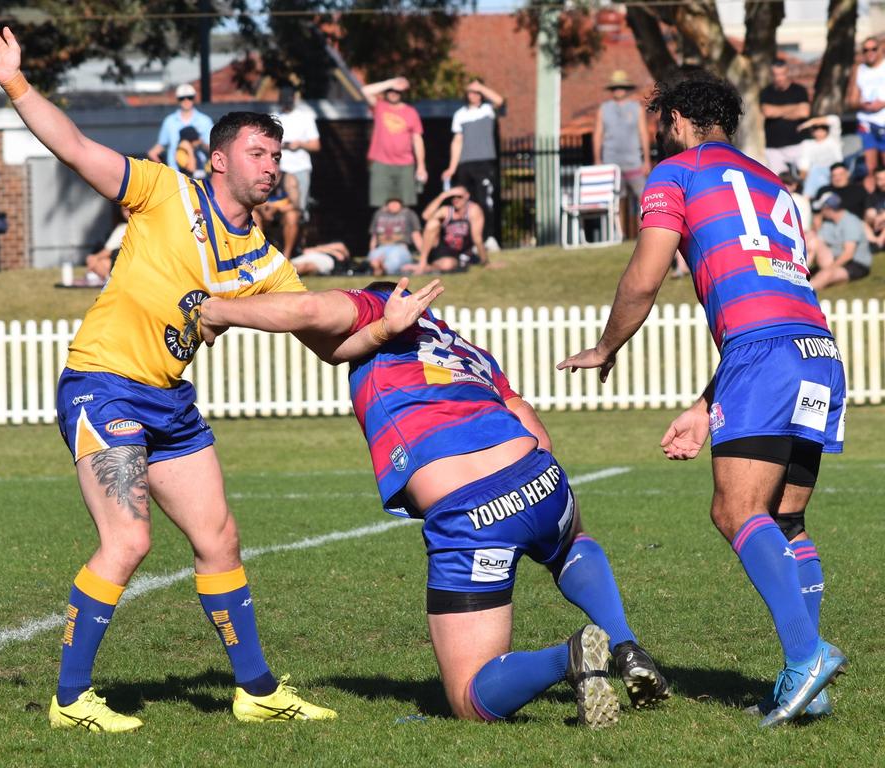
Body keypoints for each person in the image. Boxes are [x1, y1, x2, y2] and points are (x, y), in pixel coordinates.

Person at [0, 17, 334, 731]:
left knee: (219, 539)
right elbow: (73, 147)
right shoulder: (165, 190)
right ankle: (71, 701)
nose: (272, 165)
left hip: (170, 400)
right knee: (128, 541)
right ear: (220, 161)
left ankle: (256, 690)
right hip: (103, 382)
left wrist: (382, 327)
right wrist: (14, 81)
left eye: (277, 154)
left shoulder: (266, 261)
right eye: (258, 152)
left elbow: (317, 326)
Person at [195, 278, 670, 726]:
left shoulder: (375, 309)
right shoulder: (467, 351)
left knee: (469, 697)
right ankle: (626, 643)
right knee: (570, 545)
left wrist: (217, 310)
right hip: (542, 480)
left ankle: (569, 657)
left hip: (471, 512)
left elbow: (305, 308)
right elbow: (536, 432)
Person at [557, 70, 848, 729]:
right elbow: (774, 291)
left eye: (663, 124)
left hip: (763, 355)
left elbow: (644, 275)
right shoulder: (774, 184)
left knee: (735, 510)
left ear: (682, 119)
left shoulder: (678, 174)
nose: (661, 137)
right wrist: (704, 401)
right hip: (815, 352)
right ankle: (813, 685)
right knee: (787, 519)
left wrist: (607, 347)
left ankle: (807, 657)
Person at [442, 79, 505, 250]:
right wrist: (452, 167)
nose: (474, 95)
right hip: (465, 164)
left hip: (484, 163)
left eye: (477, 92)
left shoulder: (487, 110)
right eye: (471, 91)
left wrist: (481, 87)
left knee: (486, 201)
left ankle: (489, 237)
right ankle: (472, 240)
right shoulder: (460, 114)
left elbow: (499, 100)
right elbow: (457, 141)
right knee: (468, 203)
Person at [593, 70, 652, 239]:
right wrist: (598, 160)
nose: (618, 90)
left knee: (643, 200)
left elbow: (643, 134)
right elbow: (597, 135)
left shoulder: (636, 108)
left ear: (627, 88)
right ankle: (619, 235)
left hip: (634, 162)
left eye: (621, 87)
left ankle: (645, 235)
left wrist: (646, 160)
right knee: (616, 203)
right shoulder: (604, 109)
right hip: (611, 163)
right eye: (615, 87)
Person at [362, 76, 427, 208]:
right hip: (381, 163)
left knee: (405, 205)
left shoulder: (411, 112)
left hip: (405, 165)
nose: (393, 93)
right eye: (391, 90)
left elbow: (417, 139)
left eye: (397, 91)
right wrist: (391, 82)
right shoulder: (380, 107)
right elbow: (365, 91)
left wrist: (421, 165)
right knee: (381, 205)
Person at [408, 186, 488, 274]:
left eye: (459, 196)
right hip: (442, 249)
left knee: (447, 265)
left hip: (462, 252)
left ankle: (429, 267)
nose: (456, 199)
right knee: (432, 223)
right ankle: (422, 263)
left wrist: (485, 262)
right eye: (452, 197)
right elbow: (426, 216)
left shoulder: (473, 210)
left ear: (467, 196)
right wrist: (442, 196)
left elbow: (477, 238)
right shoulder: (447, 210)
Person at [271, 87, 320, 217]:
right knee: (278, 209)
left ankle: (301, 235)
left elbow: (316, 145)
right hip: (280, 170)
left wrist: (300, 144)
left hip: (300, 168)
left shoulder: (305, 118)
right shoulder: (274, 118)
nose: (286, 106)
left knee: (300, 209)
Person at [808, 192, 872, 290]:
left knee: (827, 275)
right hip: (835, 259)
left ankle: (801, 294)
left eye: (822, 209)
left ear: (828, 208)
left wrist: (829, 269)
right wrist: (817, 224)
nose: (820, 212)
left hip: (855, 264)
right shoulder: (829, 223)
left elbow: (848, 254)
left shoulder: (851, 222)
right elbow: (816, 240)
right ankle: (799, 272)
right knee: (813, 240)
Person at [759, 59, 810, 175]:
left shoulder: (799, 91)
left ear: (788, 73)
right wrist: (795, 108)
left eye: (782, 74)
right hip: (773, 147)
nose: (779, 78)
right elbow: (768, 112)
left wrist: (777, 111)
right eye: (776, 75)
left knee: (802, 178)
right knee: (777, 181)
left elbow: (804, 112)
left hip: (798, 144)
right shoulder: (766, 92)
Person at [147, 83, 214, 171]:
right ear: (178, 100)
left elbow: (212, 149)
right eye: (182, 98)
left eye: (189, 97)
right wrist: (164, 170)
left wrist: (198, 142)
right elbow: (157, 149)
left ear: (194, 98)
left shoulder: (205, 121)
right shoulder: (169, 121)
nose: (186, 100)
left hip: (199, 174)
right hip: (175, 174)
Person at [848, 35, 885, 193]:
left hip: (883, 120)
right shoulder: (859, 69)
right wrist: (863, 104)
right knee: (869, 169)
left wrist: (882, 103)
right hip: (866, 122)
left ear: (880, 49)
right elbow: (851, 100)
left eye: (873, 49)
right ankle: (870, 203)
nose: (870, 52)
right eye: (866, 49)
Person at [367, 196, 423, 275]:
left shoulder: (409, 214)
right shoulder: (379, 214)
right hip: (381, 247)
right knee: (374, 256)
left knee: (395, 258)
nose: (394, 205)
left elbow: (416, 236)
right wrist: (372, 251)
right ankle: (378, 266)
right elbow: (374, 237)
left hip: (400, 247)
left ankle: (383, 269)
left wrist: (424, 257)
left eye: (396, 202)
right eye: (391, 202)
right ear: (387, 204)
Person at [796, 115, 843, 199]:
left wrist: (810, 122)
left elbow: (835, 120)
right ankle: (807, 199)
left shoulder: (833, 140)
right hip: (815, 173)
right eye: (816, 130)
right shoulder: (807, 144)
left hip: (835, 170)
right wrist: (803, 175)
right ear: (812, 132)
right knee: (814, 171)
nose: (819, 133)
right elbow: (804, 161)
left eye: (822, 130)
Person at [84, 206, 130, 286]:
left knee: (97, 262)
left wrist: (94, 258)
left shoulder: (123, 228)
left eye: (127, 210)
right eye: (124, 210)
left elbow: (107, 251)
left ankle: (105, 277)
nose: (126, 212)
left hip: (124, 265)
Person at [863, 167, 885, 249]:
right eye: (880, 179)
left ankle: (879, 242)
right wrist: (873, 218)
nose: (883, 182)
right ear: (875, 180)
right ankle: (875, 242)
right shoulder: (872, 196)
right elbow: (868, 215)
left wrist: (882, 216)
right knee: (861, 222)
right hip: (878, 226)